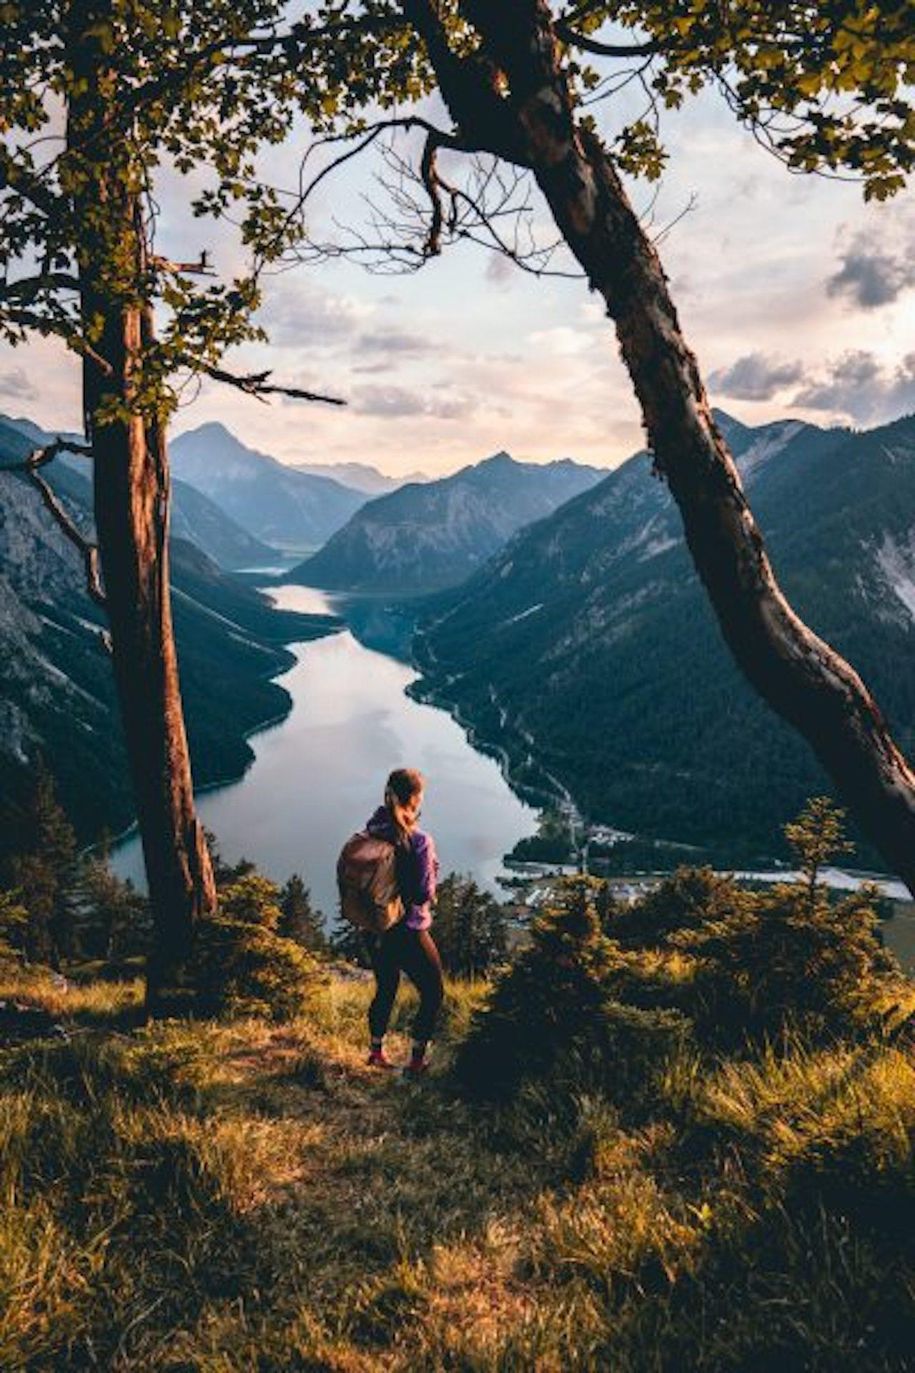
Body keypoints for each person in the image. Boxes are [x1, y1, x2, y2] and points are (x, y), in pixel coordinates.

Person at [364, 767, 443, 1076]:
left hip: (374, 926)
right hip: (407, 929)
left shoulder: (372, 829)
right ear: (415, 798)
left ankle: (375, 1052)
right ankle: (416, 1060)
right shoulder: (420, 840)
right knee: (434, 993)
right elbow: (422, 893)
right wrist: (432, 871)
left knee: (386, 987)